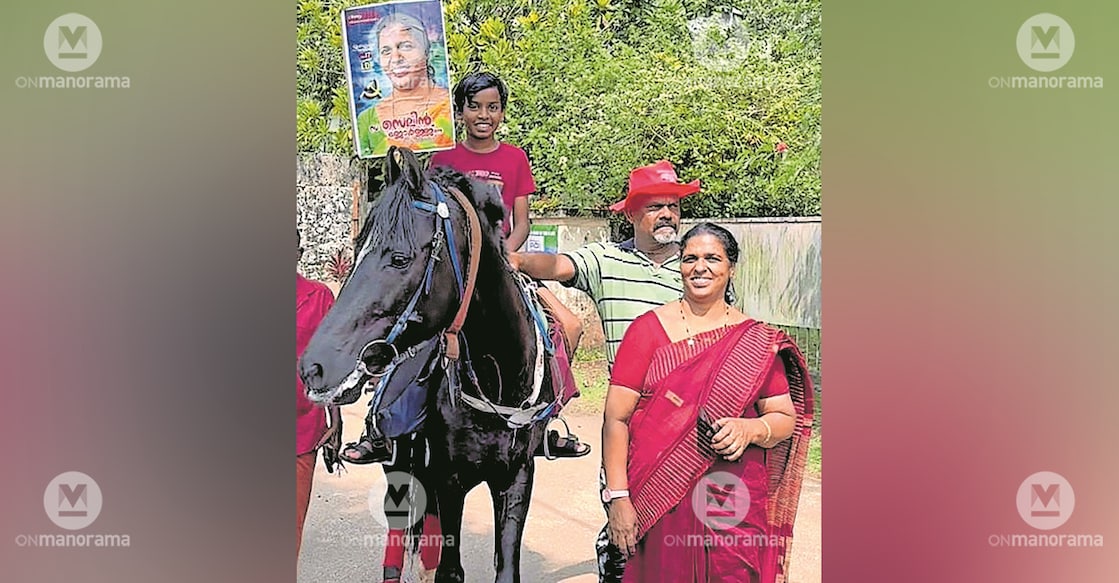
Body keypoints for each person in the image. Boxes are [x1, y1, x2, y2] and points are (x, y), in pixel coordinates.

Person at [601, 223, 813, 583]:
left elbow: (783, 417)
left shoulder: (754, 341)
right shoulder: (646, 331)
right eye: (690, 259)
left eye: (712, 258)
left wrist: (750, 429)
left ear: (732, 268)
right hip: (660, 497)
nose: (699, 267)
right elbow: (616, 419)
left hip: (731, 500)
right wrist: (618, 497)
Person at [296, 230, 342, 562]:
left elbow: (333, 361)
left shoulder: (320, 297)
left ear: (298, 253)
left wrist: (335, 419)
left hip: (301, 433)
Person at [354, 12, 454, 157]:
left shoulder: (451, 108)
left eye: (406, 46)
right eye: (386, 51)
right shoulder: (367, 120)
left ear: (426, 51)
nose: (395, 58)